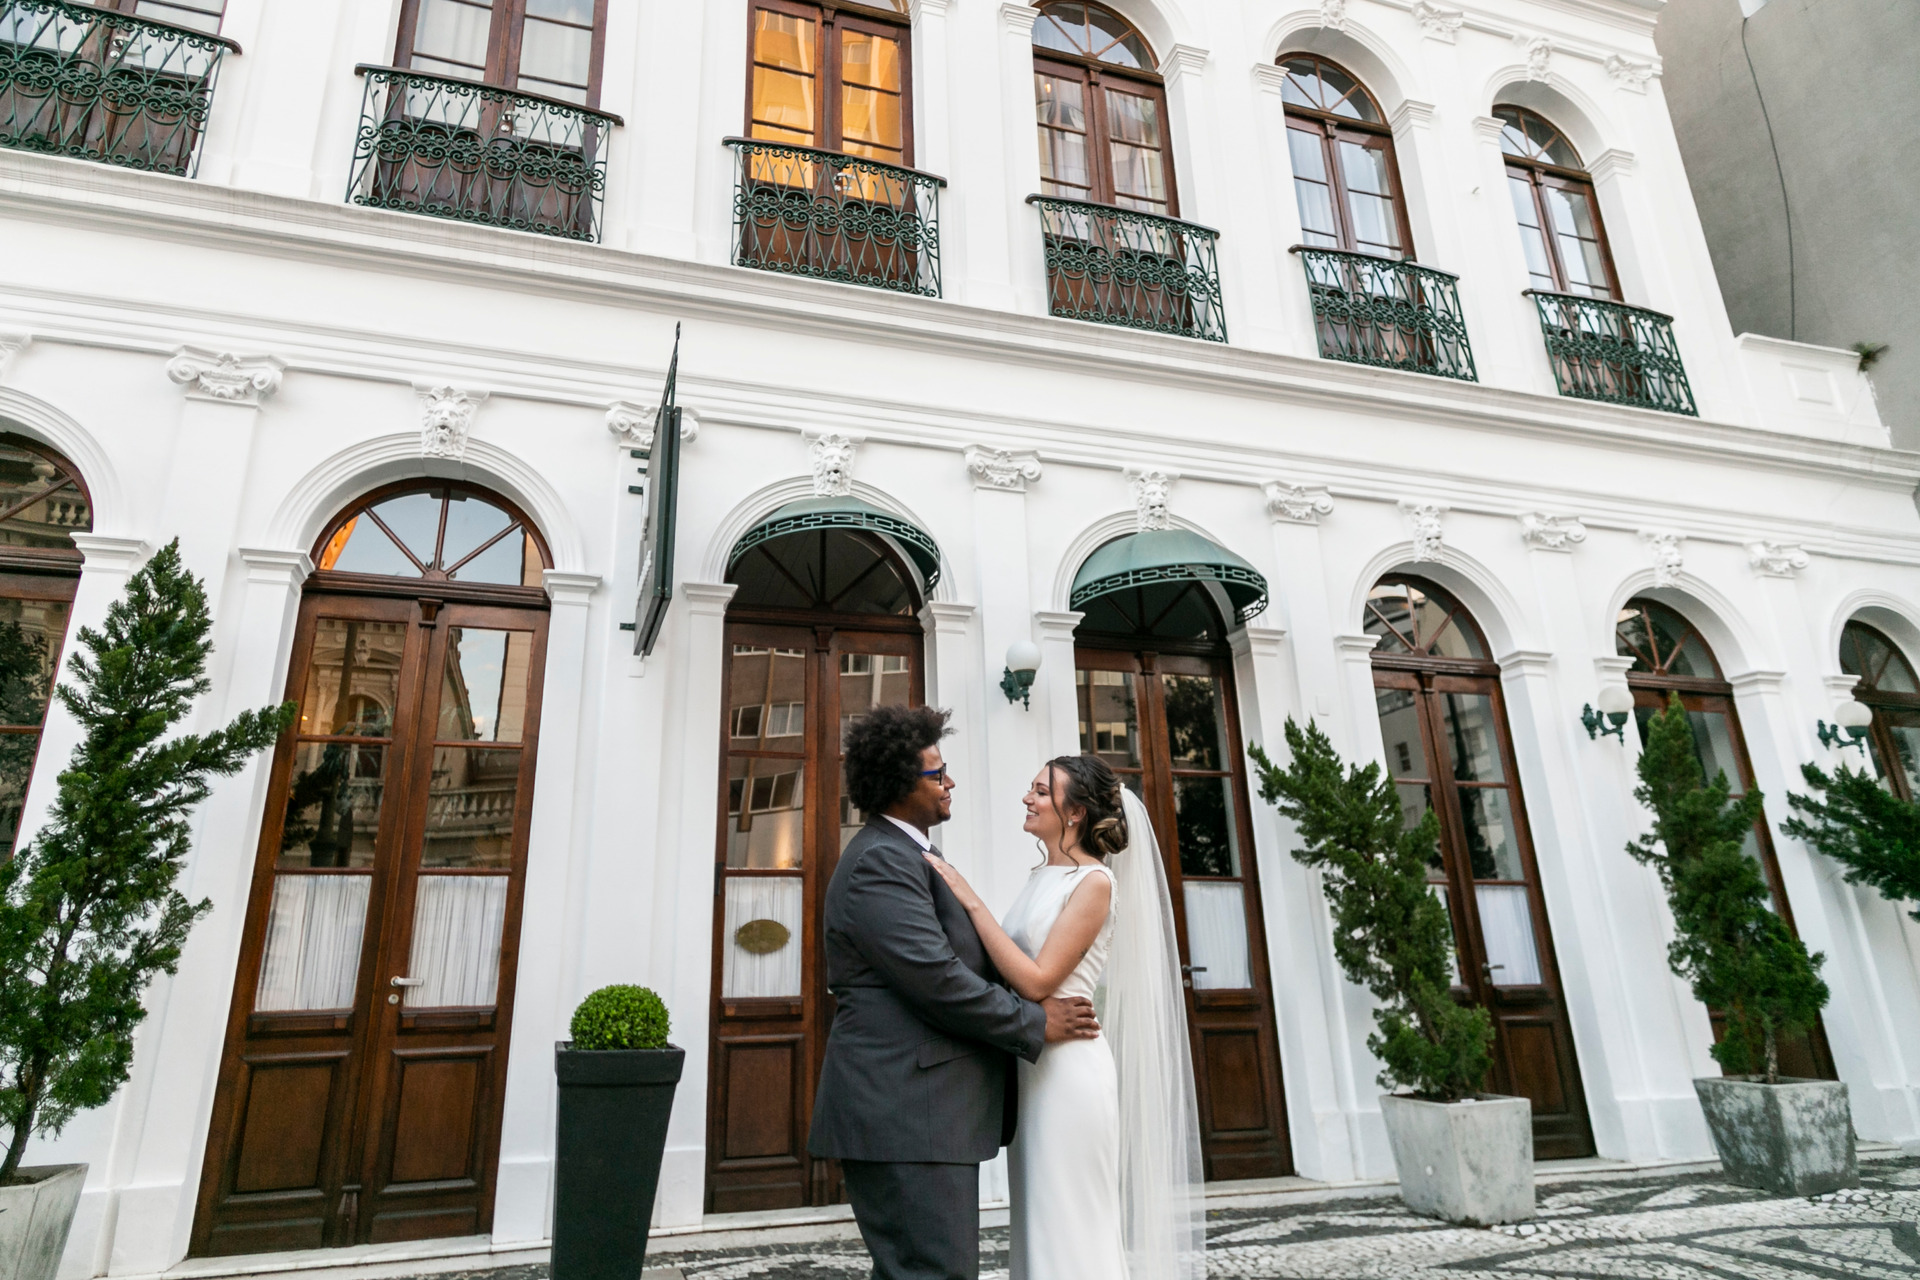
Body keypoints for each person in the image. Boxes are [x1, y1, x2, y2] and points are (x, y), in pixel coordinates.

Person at [809, 705, 1101, 1280]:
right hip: (905, 1115)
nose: (950, 782)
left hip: (922, 1115)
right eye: (936, 774)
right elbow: (938, 980)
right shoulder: (880, 863)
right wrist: (1034, 1022)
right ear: (898, 785)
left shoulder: (909, 853)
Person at [925, 755, 1207, 1280]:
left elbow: (1036, 980)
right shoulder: (1045, 875)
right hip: (1032, 1069)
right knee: (1039, 1221)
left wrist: (968, 899)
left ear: (1073, 811)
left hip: (1069, 1073)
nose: (1027, 798)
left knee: (1073, 1224)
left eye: (1039, 791)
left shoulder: (1094, 883)